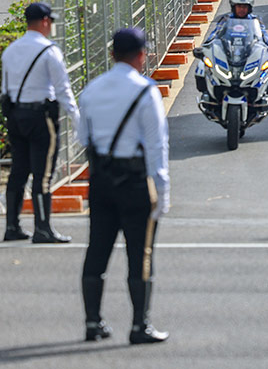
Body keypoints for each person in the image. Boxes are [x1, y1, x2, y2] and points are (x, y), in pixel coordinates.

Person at [78, 29, 170, 344]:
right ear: (141, 55)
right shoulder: (146, 91)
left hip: (101, 179)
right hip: (134, 182)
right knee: (140, 253)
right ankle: (138, 325)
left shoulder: (91, 90)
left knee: (97, 250)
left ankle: (92, 322)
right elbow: (158, 148)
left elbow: (83, 139)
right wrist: (163, 193)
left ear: (113, 54)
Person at [2, 2, 79, 243]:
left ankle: (12, 227)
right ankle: (42, 228)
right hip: (40, 118)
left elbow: (5, 89)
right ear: (45, 21)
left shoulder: (11, 50)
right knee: (43, 174)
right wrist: (77, 118)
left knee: (18, 172)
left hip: (16, 116)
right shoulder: (49, 51)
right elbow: (63, 89)